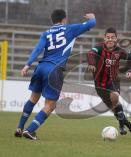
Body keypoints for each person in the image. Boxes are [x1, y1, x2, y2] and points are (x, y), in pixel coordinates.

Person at [14, 9, 96, 140]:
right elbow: (92, 23)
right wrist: (92, 17)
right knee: (50, 105)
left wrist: (27, 65)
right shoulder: (70, 29)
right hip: (54, 70)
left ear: (52, 20)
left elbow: (38, 49)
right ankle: (30, 130)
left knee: (33, 99)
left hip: (40, 67)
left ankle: (19, 127)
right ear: (64, 19)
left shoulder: (46, 33)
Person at [87, 27, 131, 138]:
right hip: (99, 85)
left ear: (116, 39)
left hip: (113, 82)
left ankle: (121, 127)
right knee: (115, 110)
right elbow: (91, 53)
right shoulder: (99, 48)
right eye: (108, 37)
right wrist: (91, 63)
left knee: (115, 97)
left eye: (112, 37)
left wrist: (130, 70)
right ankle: (130, 127)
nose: (110, 39)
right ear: (104, 38)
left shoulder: (119, 51)